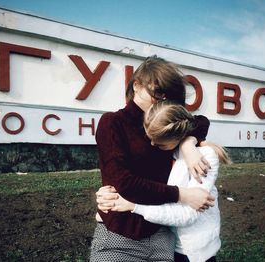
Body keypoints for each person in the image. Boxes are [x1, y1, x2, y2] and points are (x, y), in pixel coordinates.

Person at [90, 56, 215, 262]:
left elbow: (200, 121)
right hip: (121, 235)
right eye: (158, 93)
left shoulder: (169, 125)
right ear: (137, 85)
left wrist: (187, 143)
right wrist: (182, 194)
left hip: (162, 235)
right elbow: (125, 184)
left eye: (170, 97)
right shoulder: (113, 122)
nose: (164, 101)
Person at [97, 102, 232, 262]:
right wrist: (108, 193)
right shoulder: (168, 151)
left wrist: (134, 207)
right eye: (151, 140)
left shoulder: (204, 158)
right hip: (168, 244)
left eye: (158, 142)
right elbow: (148, 183)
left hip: (194, 251)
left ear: (176, 137)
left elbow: (188, 215)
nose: (153, 144)